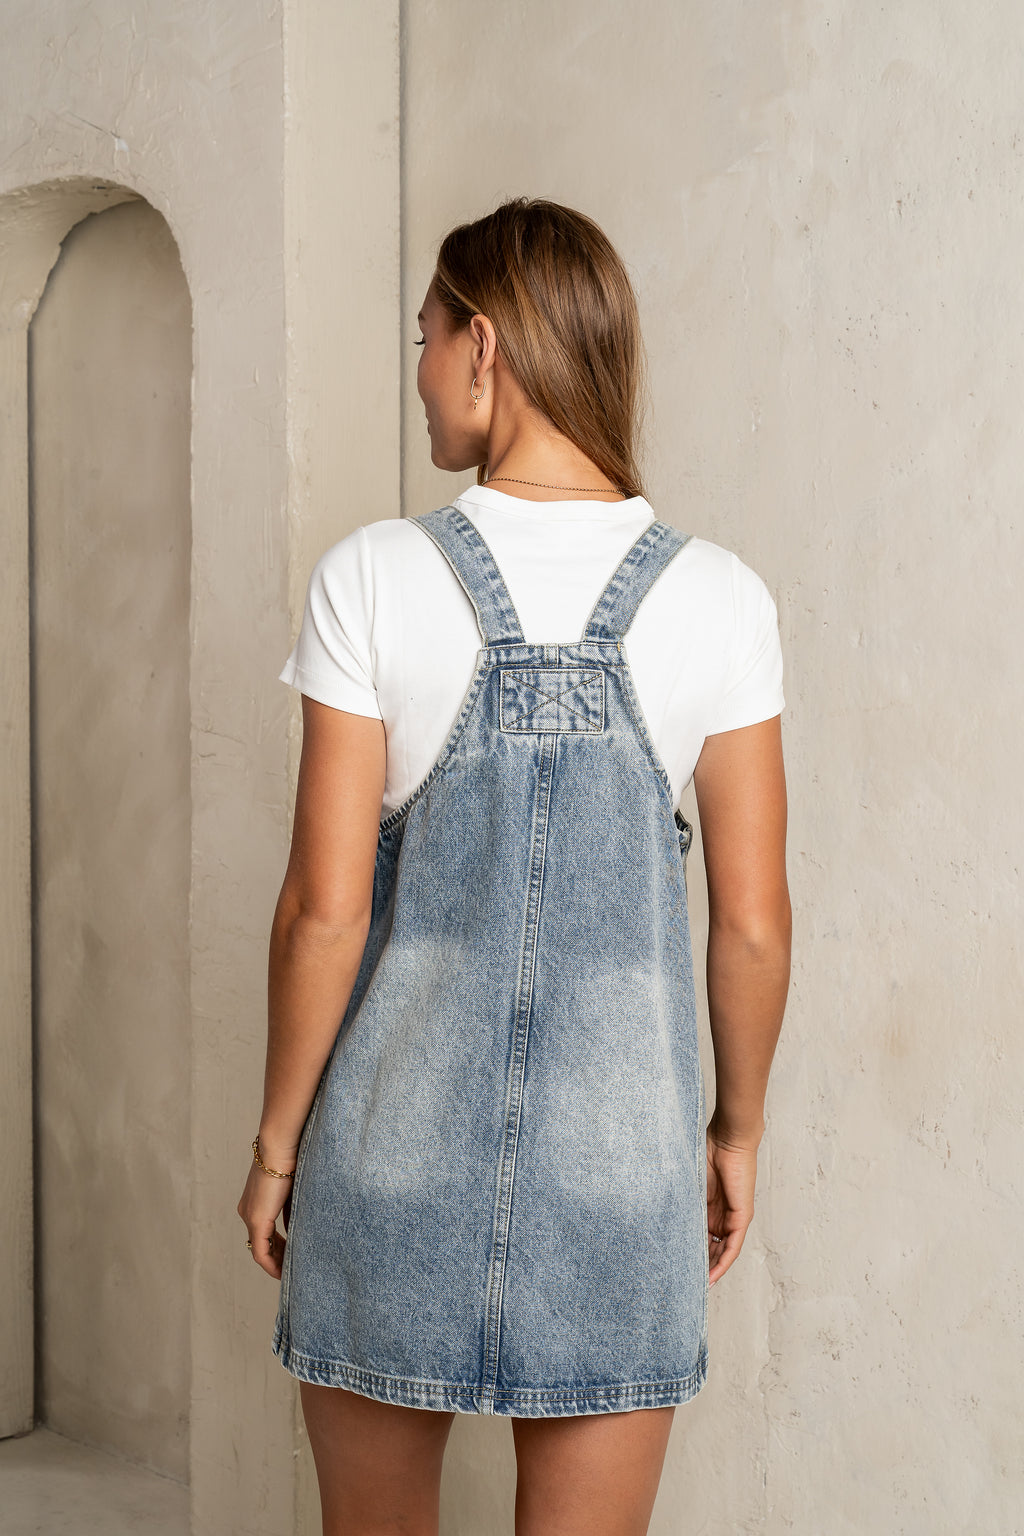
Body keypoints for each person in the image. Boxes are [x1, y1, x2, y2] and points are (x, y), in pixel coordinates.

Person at [238, 196, 791, 1536]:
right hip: (622, 1178)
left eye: (425, 337)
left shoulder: (373, 576)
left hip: (387, 1157)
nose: (421, 370)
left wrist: (276, 1147)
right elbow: (754, 924)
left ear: (482, 344)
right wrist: (735, 1131)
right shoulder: (722, 597)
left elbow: (324, 912)